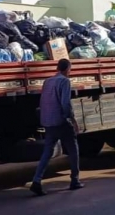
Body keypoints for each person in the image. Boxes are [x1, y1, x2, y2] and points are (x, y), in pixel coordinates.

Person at [30, 59, 83, 196]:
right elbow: (65, 104)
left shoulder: (47, 81)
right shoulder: (64, 81)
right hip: (60, 121)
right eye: (70, 69)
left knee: (47, 152)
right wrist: (71, 120)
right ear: (67, 69)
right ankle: (75, 180)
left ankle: (36, 180)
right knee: (73, 149)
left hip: (48, 122)